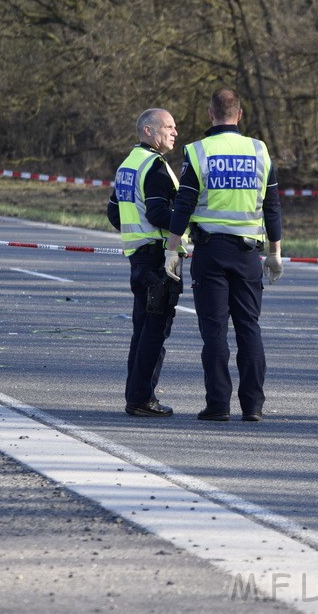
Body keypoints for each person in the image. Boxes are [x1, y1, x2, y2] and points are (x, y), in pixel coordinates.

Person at [164, 88, 283, 422]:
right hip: (248, 255)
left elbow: (184, 205)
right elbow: (272, 206)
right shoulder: (260, 151)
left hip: (210, 253)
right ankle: (253, 406)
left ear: (209, 114)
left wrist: (170, 250)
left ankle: (218, 405)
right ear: (240, 115)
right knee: (249, 328)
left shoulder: (198, 151)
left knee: (214, 331)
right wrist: (275, 252)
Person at [107, 108, 185, 418]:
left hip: (138, 257)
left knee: (142, 329)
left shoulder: (128, 165)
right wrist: (187, 226)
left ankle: (136, 395)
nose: (175, 132)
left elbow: (115, 214)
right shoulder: (155, 167)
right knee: (155, 331)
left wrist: (135, 233)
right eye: (168, 126)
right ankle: (142, 399)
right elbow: (157, 214)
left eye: (175, 126)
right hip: (159, 259)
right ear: (149, 131)